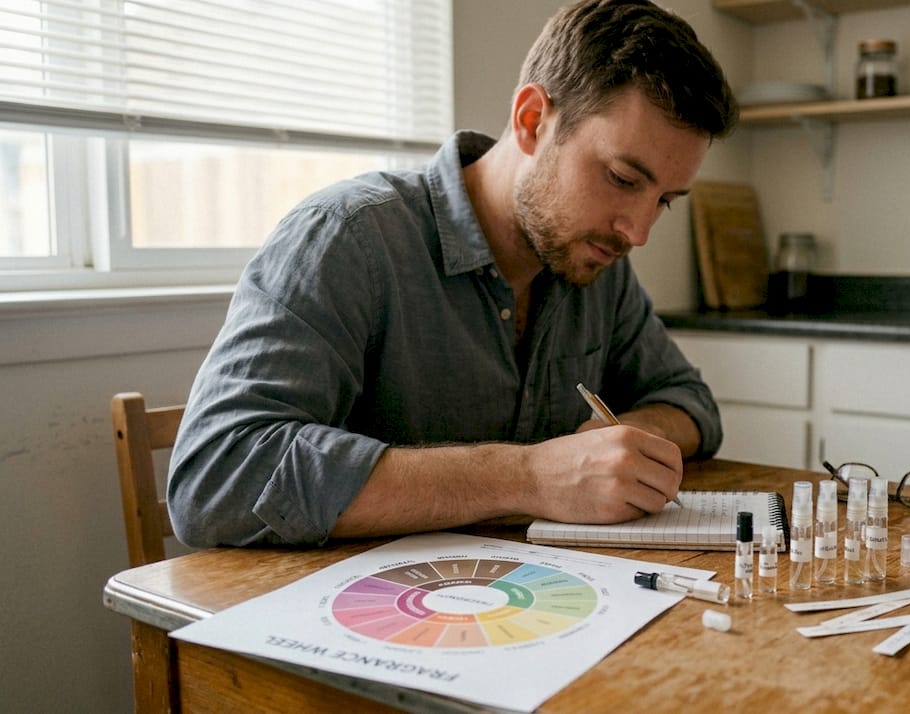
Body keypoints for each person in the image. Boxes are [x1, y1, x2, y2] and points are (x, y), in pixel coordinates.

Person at [168, 0, 739, 547]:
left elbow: (690, 402)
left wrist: (624, 446)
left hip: (533, 605)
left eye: (664, 200)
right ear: (533, 120)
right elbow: (216, 479)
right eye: (621, 177)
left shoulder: (596, 264)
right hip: (353, 624)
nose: (637, 232)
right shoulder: (348, 237)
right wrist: (530, 476)